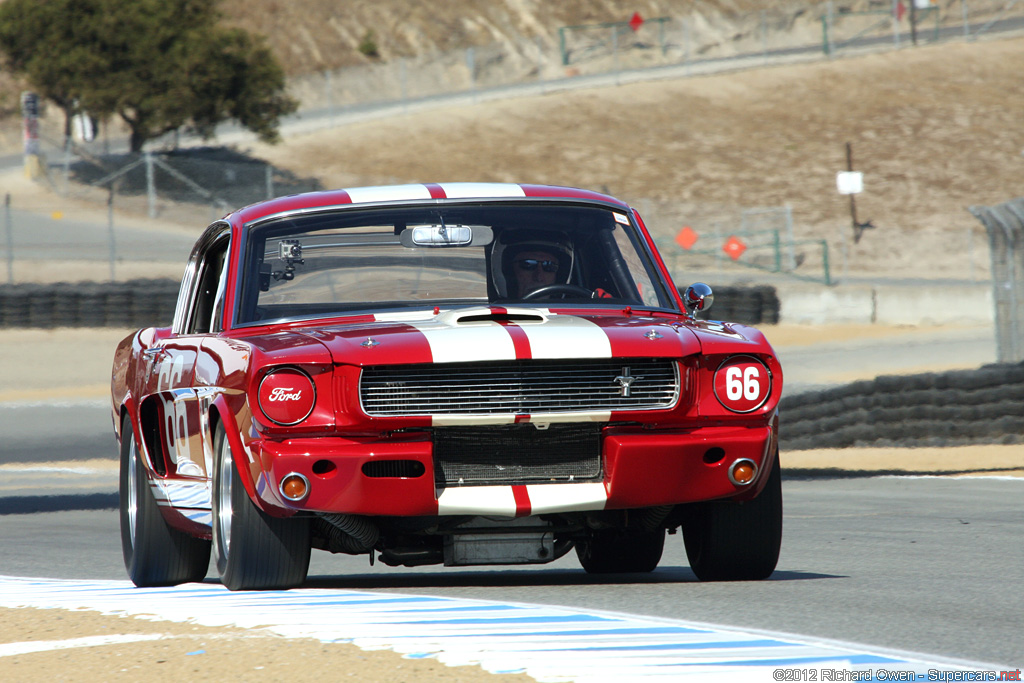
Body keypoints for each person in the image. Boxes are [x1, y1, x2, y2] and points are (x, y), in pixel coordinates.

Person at [490, 230, 575, 299]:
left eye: (549, 266)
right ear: (509, 271)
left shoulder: (578, 315)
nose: (539, 277)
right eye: (528, 265)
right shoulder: (493, 318)